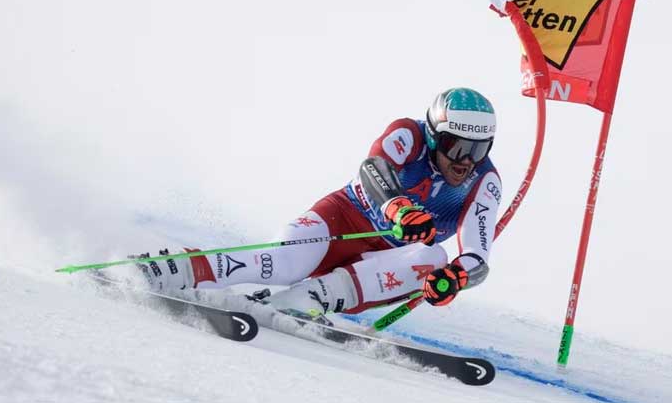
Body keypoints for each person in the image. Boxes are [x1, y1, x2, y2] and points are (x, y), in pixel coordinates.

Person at [138, 87, 502, 319]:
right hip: (343, 219)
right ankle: (177, 269)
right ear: (436, 136)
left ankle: (303, 302)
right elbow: (373, 168)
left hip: (385, 261)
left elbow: (476, 255)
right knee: (281, 263)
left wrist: (457, 277)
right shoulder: (409, 134)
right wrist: (398, 208)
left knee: (433, 257)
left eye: (478, 149)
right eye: (457, 147)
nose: (465, 161)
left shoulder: (483, 181)